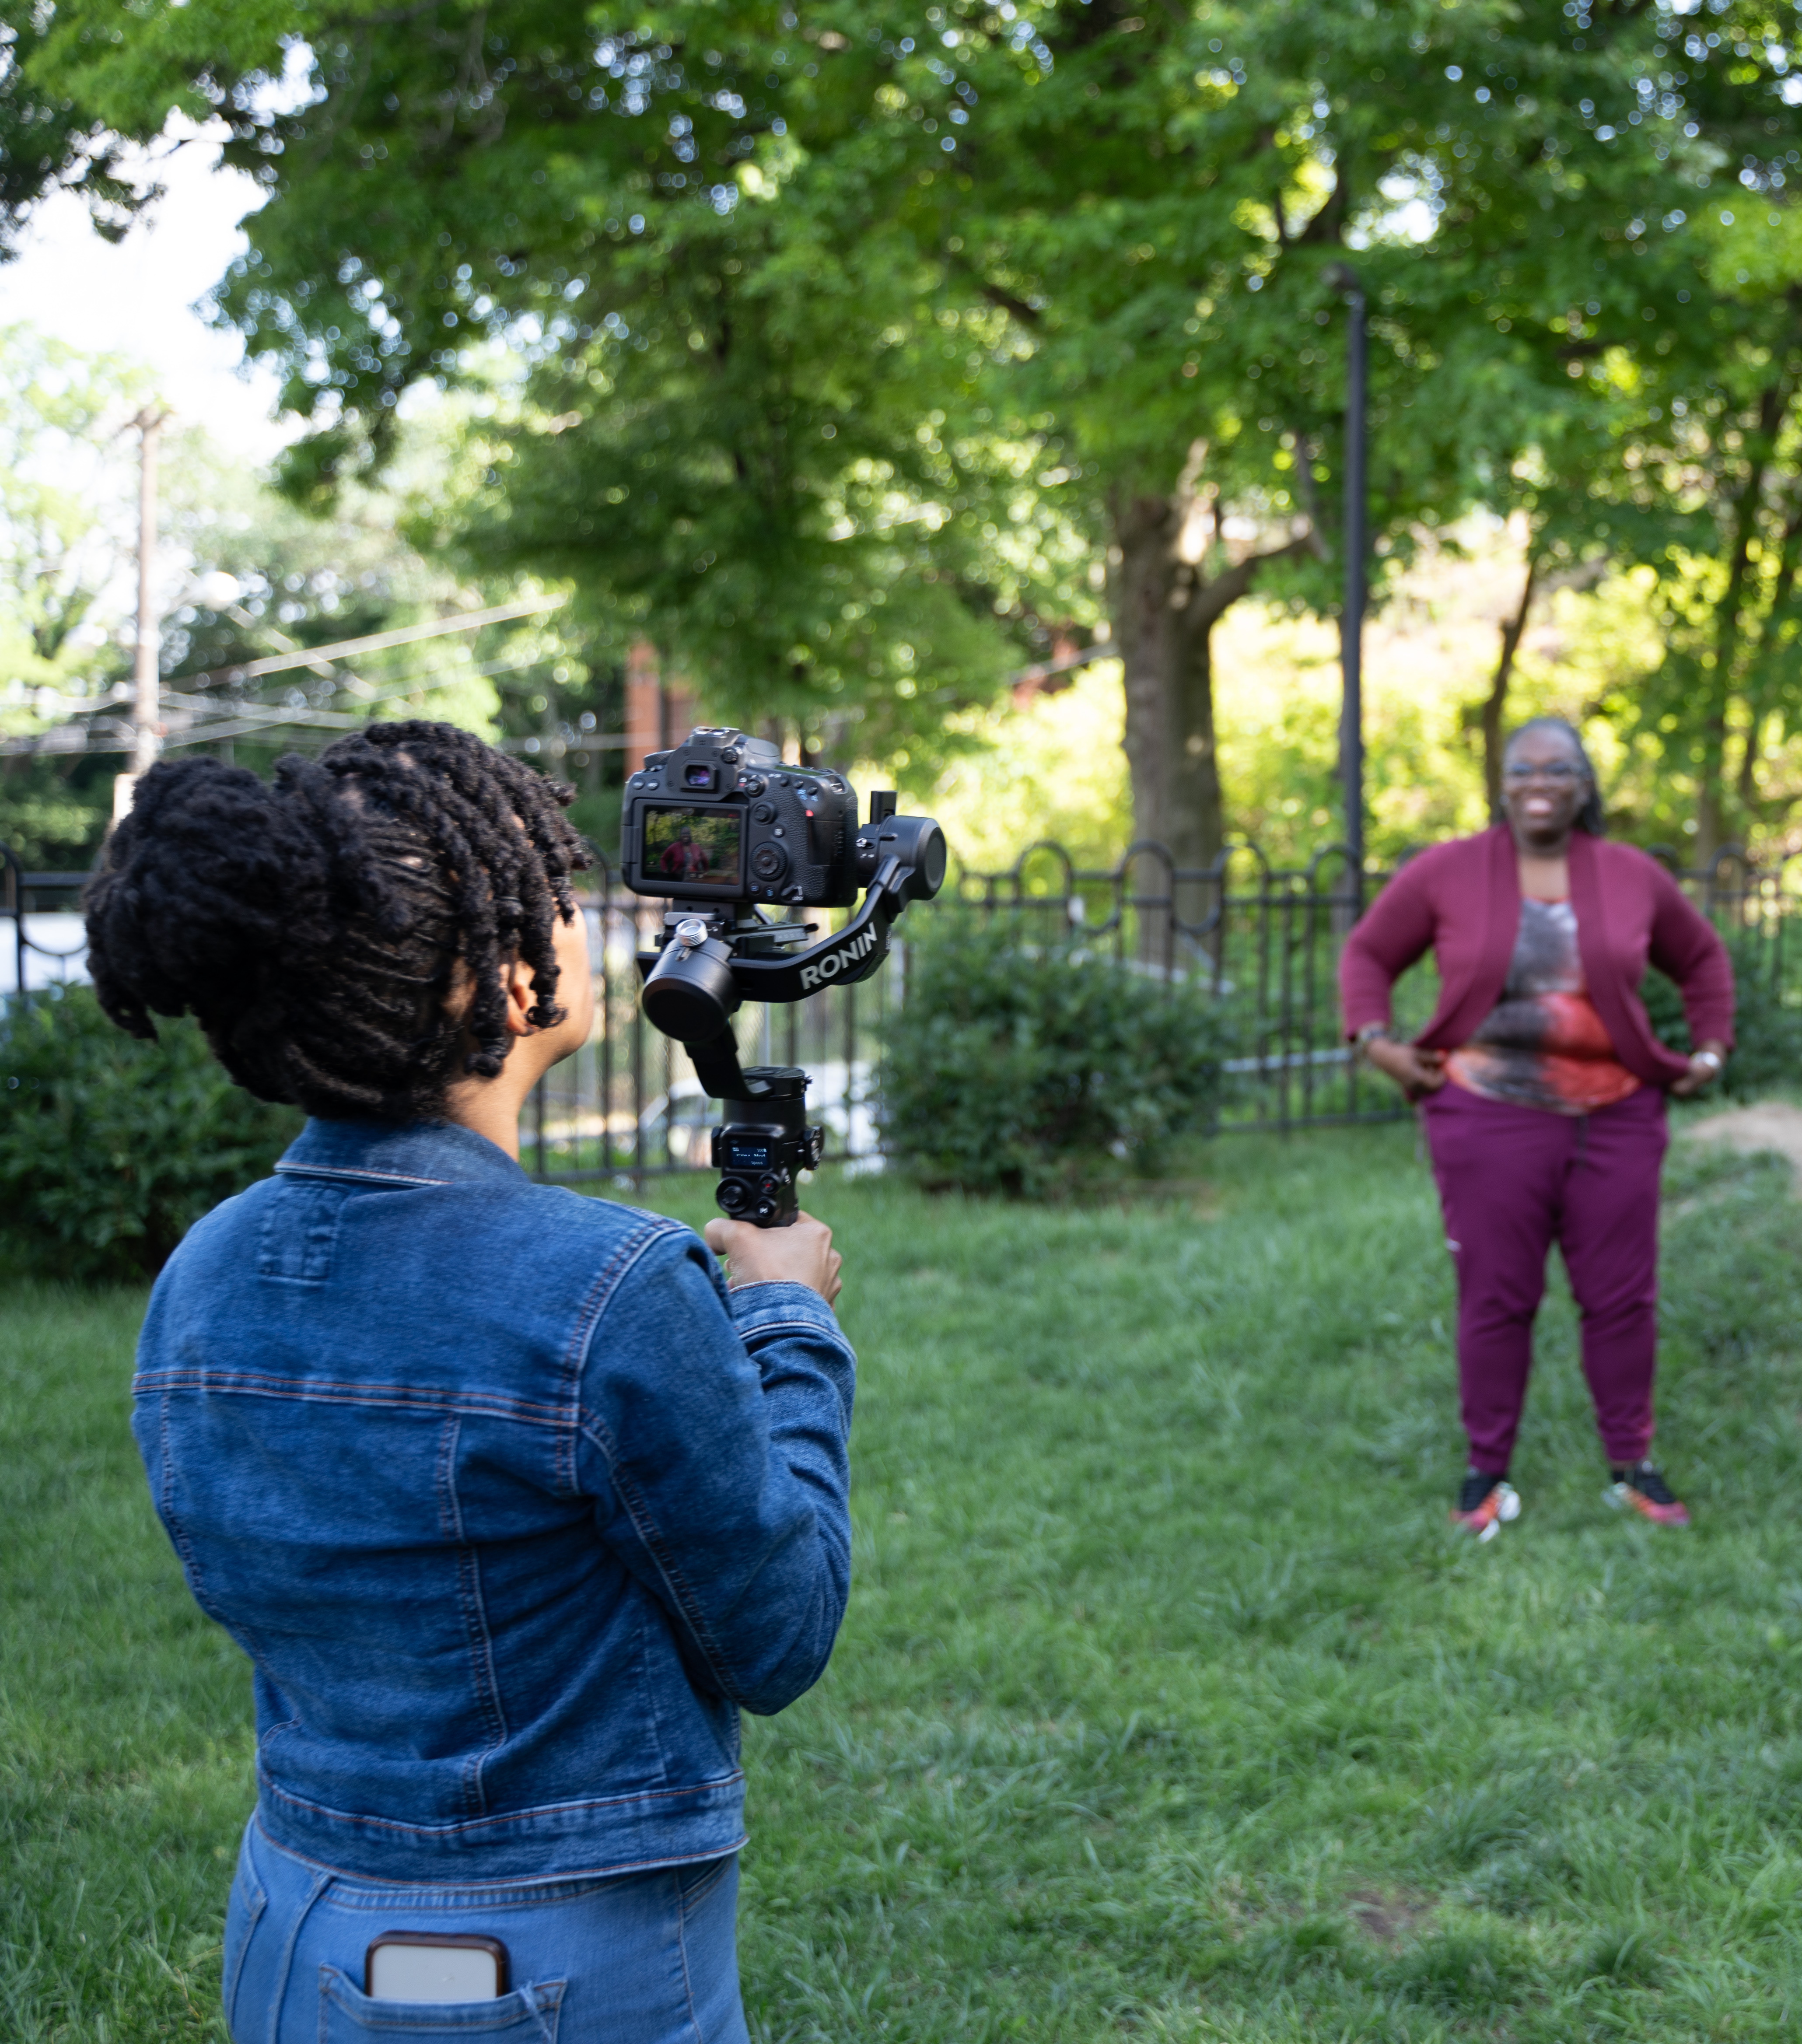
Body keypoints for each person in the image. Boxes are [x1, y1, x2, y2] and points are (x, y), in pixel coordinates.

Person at [82, 722, 851, 2044]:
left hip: (293, 1919)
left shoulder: (200, 1275)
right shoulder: (608, 1286)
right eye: (549, 886)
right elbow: (779, 1631)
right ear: (501, 979)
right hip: (548, 1964)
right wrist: (786, 1316)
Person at [1339, 717, 1732, 1538]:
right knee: (1496, 1298)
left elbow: (1701, 960)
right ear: (1502, 783)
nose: (1540, 783)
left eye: (1559, 770)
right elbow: (1369, 955)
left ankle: (1632, 1468)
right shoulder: (1448, 871)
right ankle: (1486, 1476)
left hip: (1617, 1120)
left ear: (1585, 785)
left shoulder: (1630, 877)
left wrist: (1709, 1049)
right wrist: (1377, 1044)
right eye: (1523, 770)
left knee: (1622, 1299)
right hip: (1486, 1121)